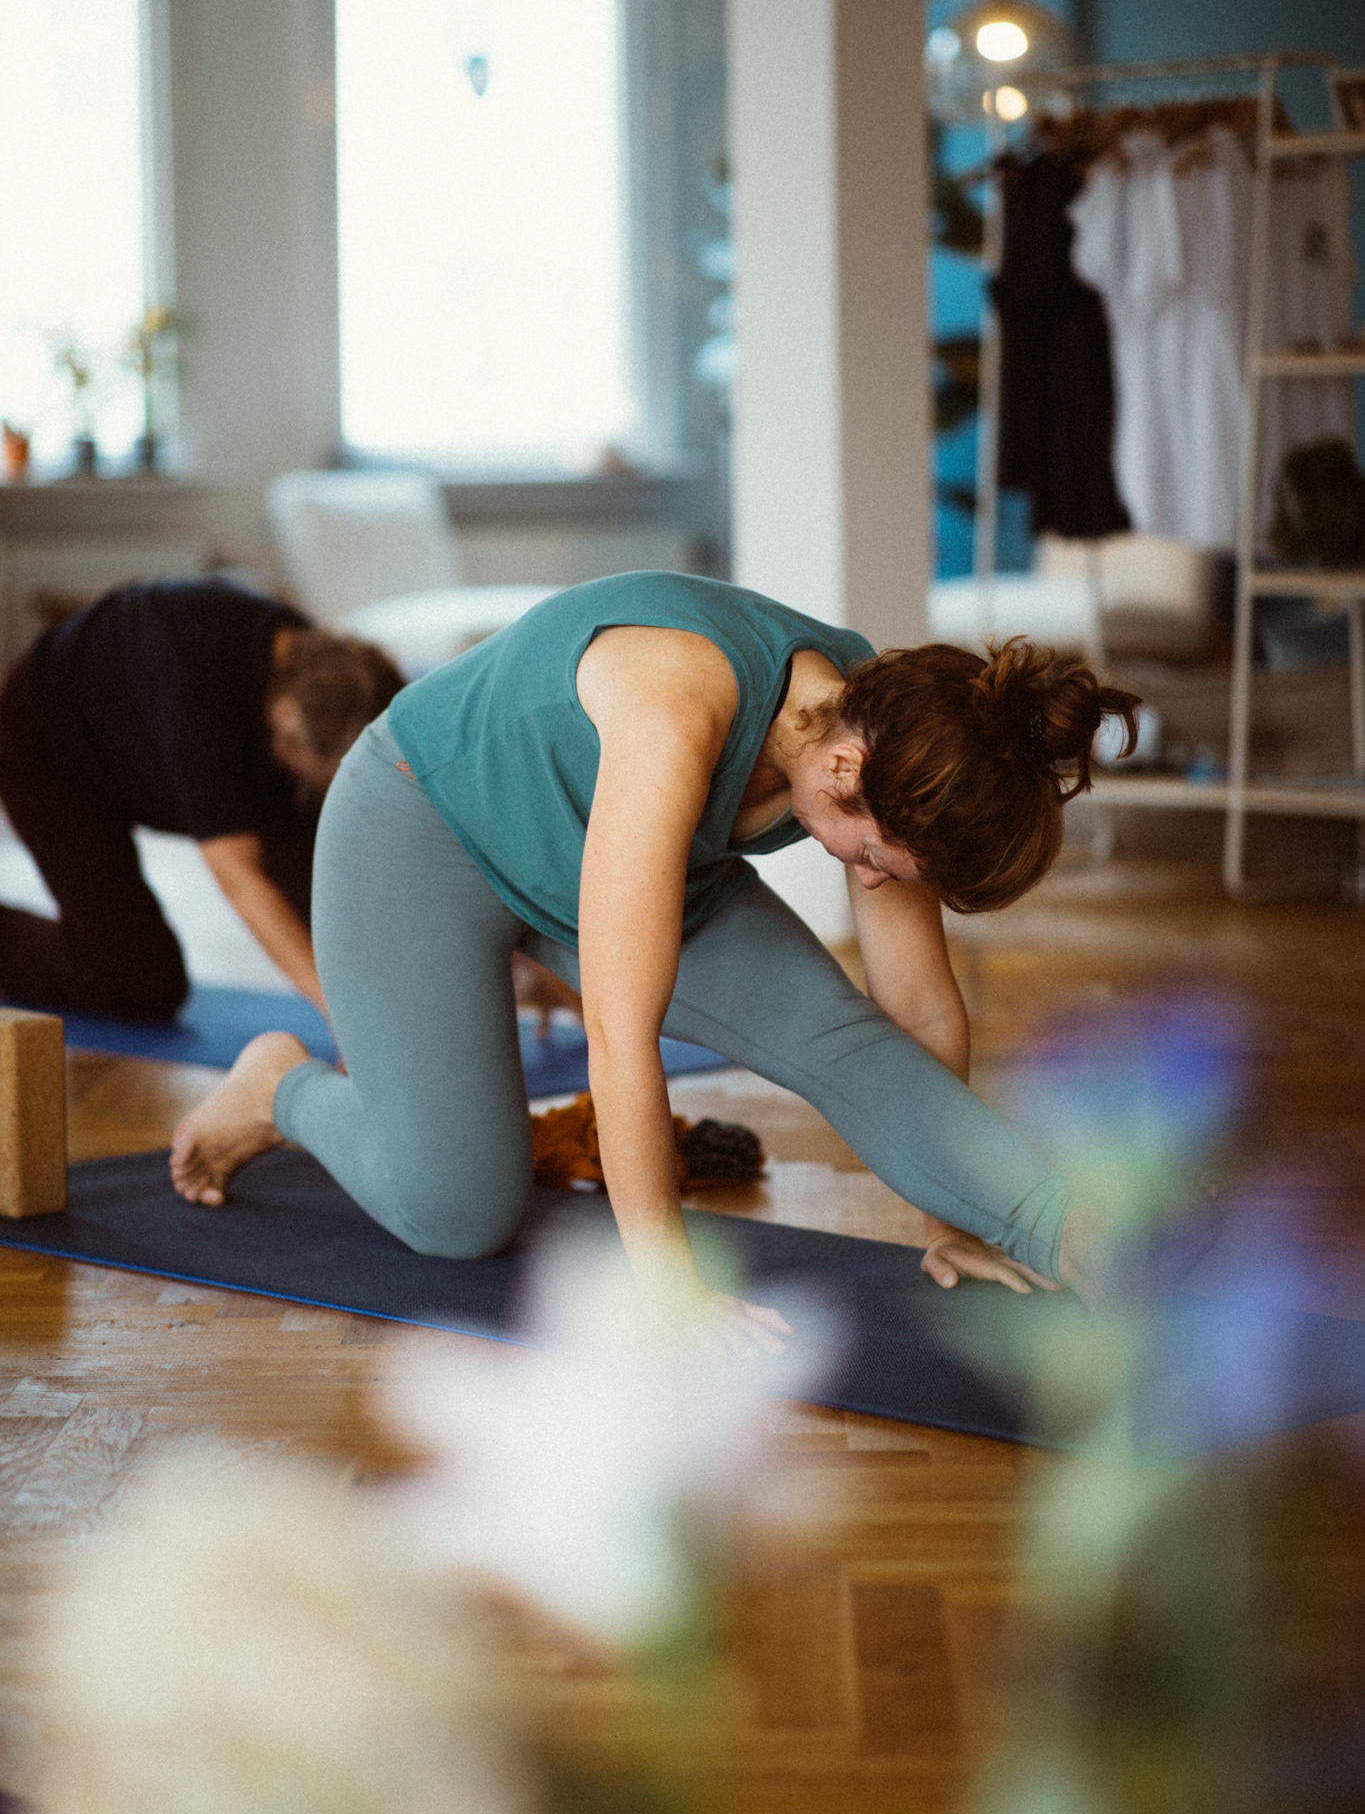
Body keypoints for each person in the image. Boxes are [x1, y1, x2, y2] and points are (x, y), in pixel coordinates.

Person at [170, 571, 1139, 1343]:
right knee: (457, 1215)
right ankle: (280, 1085)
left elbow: (918, 1011)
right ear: (845, 776)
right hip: (422, 830)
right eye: (878, 858)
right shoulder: (677, 709)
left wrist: (953, 1208)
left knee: (840, 1035)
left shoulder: (903, 730)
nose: (877, 882)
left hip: (630, 858)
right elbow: (620, 1028)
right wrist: (670, 1284)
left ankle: (1083, 1238)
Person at [0, 577, 404, 1023]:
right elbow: (238, 878)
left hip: (141, 728)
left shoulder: (325, 669)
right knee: (142, 983)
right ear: (286, 718)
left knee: (326, 879)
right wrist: (340, 1016)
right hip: (47, 744)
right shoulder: (199, 698)